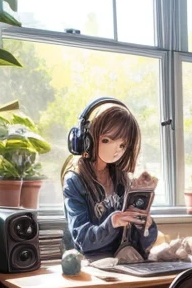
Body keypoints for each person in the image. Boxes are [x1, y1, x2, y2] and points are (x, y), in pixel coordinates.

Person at [61, 103, 158, 260]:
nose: (116, 150)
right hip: (93, 265)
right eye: (107, 140)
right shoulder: (74, 182)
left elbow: (141, 245)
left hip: (123, 262)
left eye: (122, 145)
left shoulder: (122, 179)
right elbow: (82, 239)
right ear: (86, 140)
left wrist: (146, 227)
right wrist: (112, 222)